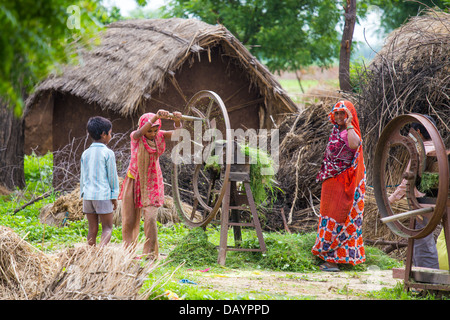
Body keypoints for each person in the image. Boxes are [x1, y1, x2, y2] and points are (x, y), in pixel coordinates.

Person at [119, 109, 182, 261]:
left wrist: (177, 121)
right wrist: (155, 117)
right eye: (150, 130)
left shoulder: (159, 135)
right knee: (129, 218)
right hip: (134, 180)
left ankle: (150, 254)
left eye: (156, 129)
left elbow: (179, 135)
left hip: (152, 181)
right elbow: (140, 133)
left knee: (151, 218)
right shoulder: (137, 137)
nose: (153, 133)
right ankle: (128, 253)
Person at [312, 100, 366, 272]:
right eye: (337, 113)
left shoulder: (351, 131)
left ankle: (332, 261)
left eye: (343, 113)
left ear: (350, 115)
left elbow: (353, 145)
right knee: (328, 218)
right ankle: (330, 257)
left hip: (342, 183)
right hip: (331, 182)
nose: (340, 116)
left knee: (338, 217)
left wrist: (350, 124)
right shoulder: (336, 131)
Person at [388, 116, 439, 269]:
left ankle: (427, 277)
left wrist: (391, 199)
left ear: (418, 132)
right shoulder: (441, 151)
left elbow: (407, 181)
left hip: (422, 204)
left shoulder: (420, 152)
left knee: (422, 239)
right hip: (441, 201)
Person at [80, 116, 119, 247]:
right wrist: (114, 197)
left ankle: (90, 256)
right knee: (107, 228)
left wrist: (82, 194)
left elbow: (83, 177)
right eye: (110, 133)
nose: (111, 136)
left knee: (92, 229)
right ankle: (100, 256)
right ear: (104, 134)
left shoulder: (85, 153)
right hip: (102, 196)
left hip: (88, 196)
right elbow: (112, 177)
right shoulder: (108, 153)